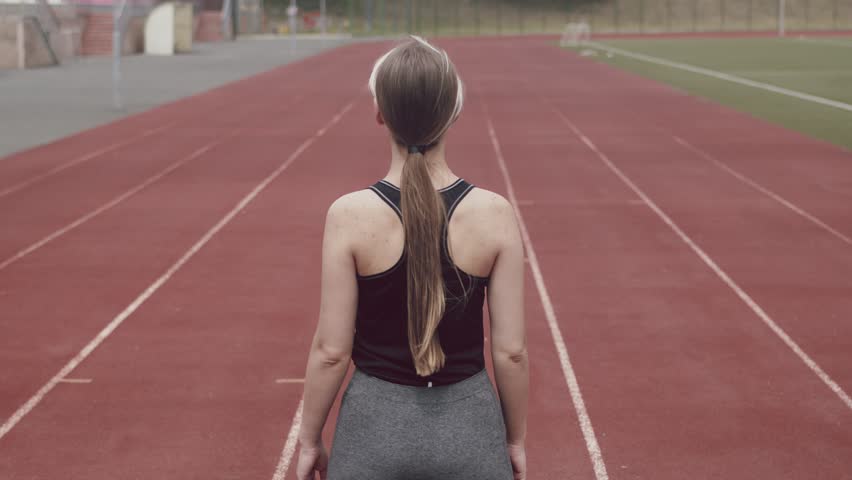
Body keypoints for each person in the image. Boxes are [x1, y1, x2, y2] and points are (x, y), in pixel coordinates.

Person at [295, 36, 528, 480]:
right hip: (470, 427)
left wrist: (310, 439)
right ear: (453, 113)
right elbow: (511, 352)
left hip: (372, 428)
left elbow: (330, 352)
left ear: (380, 114)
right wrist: (513, 440)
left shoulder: (349, 215)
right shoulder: (494, 213)